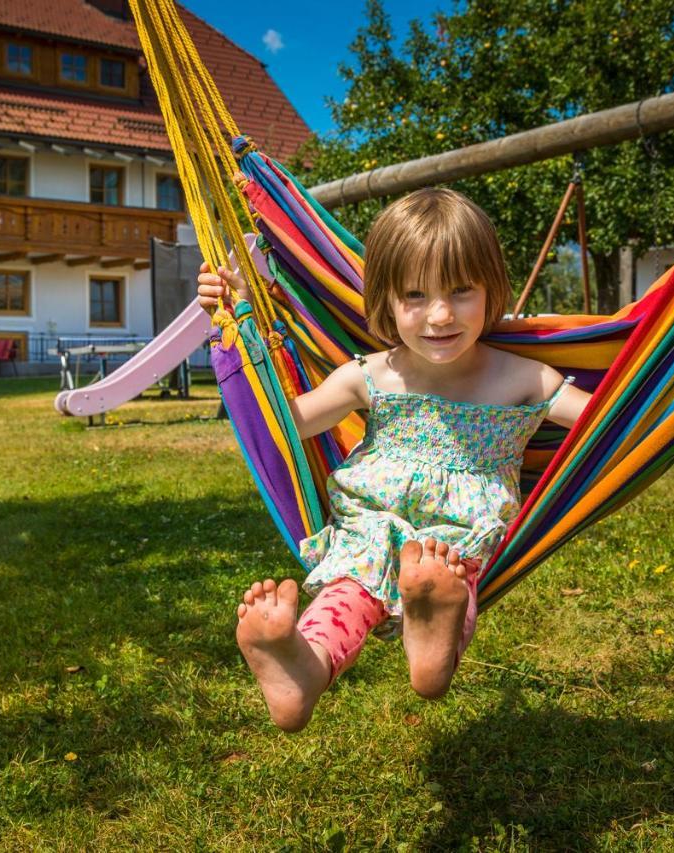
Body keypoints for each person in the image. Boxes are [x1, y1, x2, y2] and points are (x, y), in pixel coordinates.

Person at [197, 188, 592, 731]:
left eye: (461, 291)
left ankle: (432, 633)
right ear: (384, 299)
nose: (439, 315)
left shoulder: (522, 378)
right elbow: (287, 424)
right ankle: (301, 668)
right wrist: (240, 324)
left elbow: (609, 420)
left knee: (450, 580)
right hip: (368, 529)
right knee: (346, 595)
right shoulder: (372, 374)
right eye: (414, 295)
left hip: (459, 538)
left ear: (491, 289)